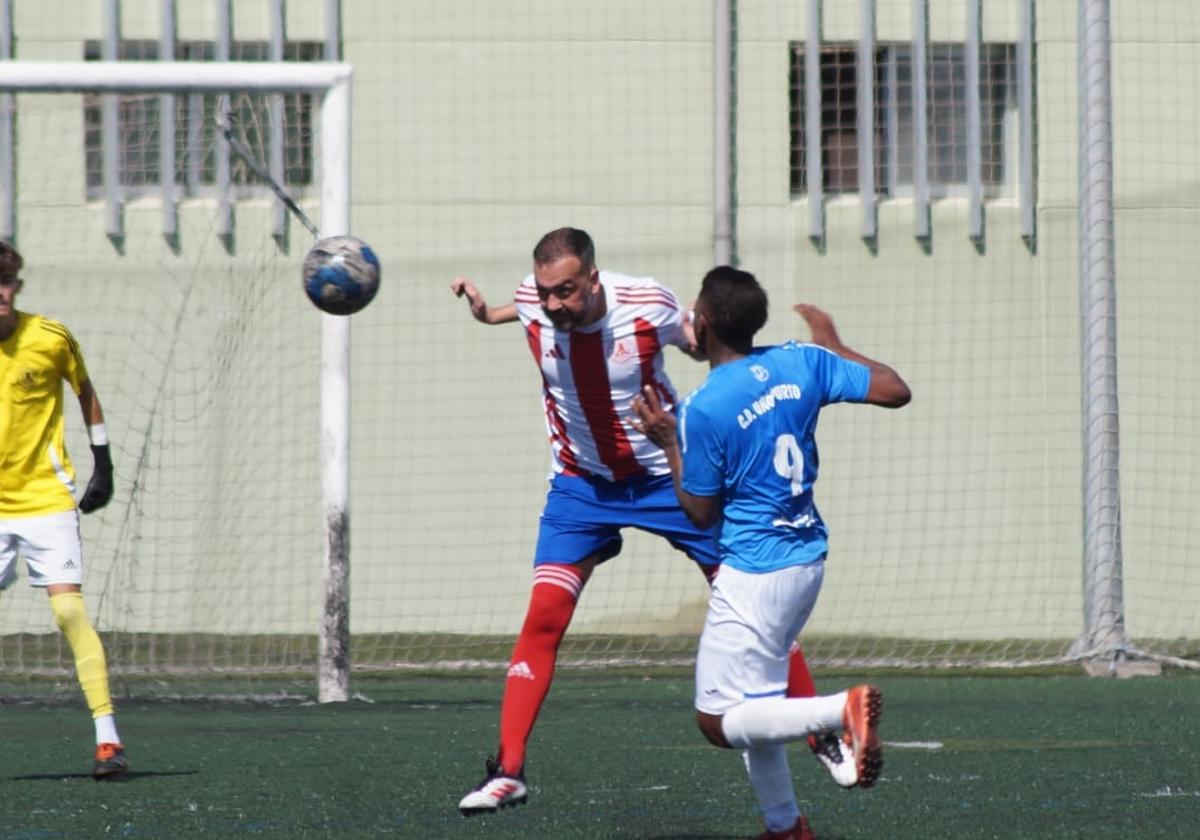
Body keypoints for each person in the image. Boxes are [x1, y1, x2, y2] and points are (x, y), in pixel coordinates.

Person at [451, 229, 855, 817]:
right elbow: (523, 309)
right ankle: (508, 772)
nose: (554, 304)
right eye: (545, 293)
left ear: (594, 277)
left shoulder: (647, 305)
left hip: (667, 478)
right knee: (543, 618)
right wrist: (489, 312)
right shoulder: (536, 300)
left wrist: (770, 359)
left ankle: (822, 731)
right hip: (580, 486)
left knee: (753, 602)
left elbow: (704, 346)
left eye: (567, 291)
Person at [631, 265, 911, 840]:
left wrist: (668, 446)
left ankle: (840, 711)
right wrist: (832, 346)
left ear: (703, 324)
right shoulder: (800, 362)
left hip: (754, 572)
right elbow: (894, 389)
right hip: (806, 559)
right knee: (755, 700)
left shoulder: (703, 408)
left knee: (718, 721)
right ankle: (785, 827)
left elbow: (700, 514)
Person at [0, 241, 128, 780]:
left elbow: (84, 390)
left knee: (69, 612)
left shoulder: (50, 338)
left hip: (47, 500)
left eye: (5, 283)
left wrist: (104, 463)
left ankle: (108, 740)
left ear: (17, 287)